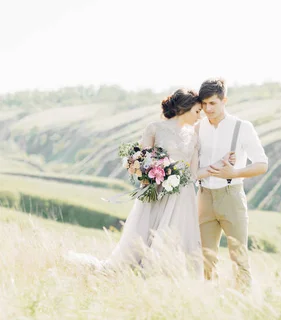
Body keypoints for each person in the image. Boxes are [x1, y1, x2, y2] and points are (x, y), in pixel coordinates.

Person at [67, 88, 233, 273]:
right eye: (196, 111)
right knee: (145, 234)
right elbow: (141, 160)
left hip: (182, 197)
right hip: (156, 191)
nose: (199, 117)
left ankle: (165, 275)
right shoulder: (154, 128)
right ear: (184, 108)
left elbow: (193, 174)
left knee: (175, 239)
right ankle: (134, 272)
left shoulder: (194, 137)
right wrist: (149, 172)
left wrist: (219, 165)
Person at [195, 78, 269, 290]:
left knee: (239, 258)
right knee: (206, 259)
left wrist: (235, 172)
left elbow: (262, 164)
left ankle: (244, 303)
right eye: (204, 104)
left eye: (212, 103)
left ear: (224, 100)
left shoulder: (242, 127)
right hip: (204, 197)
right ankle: (210, 302)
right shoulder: (197, 128)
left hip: (231, 195)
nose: (207, 109)